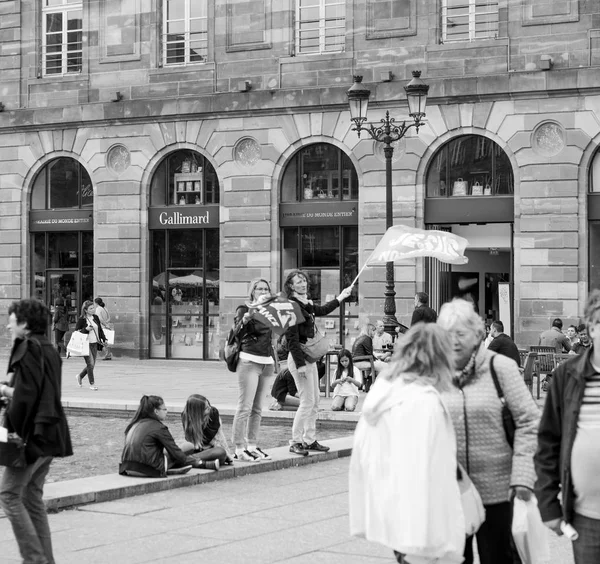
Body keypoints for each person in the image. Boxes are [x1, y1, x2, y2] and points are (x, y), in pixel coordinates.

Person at [349, 322, 465, 564]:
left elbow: (363, 455)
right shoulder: (423, 401)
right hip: (420, 521)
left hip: (393, 508)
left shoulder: (385, 388)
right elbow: (427, 467)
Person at [437, 298, 540, 564]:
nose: (455, 340)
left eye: (461, 333)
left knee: (497, 557)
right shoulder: (436, 373)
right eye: (449, 334)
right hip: (450, 492)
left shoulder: (500, 367)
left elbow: (529, 421)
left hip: (497, 491)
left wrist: (523, 477)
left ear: (478, 334)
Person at [0, 299, 73, 564]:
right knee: (31, 496)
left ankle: (34, 560)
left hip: (32, 436)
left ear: (25, 323)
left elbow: (25, 396)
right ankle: (44, 560)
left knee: (8, 494)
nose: (9, 324)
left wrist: (5, 391)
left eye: (12, 319)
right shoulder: (48, 348)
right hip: (50, 434)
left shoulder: (28, 347)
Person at [535, 289, 600, 564]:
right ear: (593, 328)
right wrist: (548, 504)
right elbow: (548, 441)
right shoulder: (567, 375)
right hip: (587, 518)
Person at [284, 269, 353, 456]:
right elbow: (291, 339)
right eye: (298, 282)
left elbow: (322, 310)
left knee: (315, 401)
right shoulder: (291, 306)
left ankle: (309, 440)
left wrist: (341, 297)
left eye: (303, 280)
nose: (302, 283)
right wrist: (299, 365)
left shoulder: (305, 303)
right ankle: (295, 441)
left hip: (310, 359)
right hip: (300, 359)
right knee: (306, 402)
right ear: (290, 286)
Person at [231, 278, 276, 463]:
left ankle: (252, 445)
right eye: (259, 288)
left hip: (267, 362)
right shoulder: (244, 309)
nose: (262, 291)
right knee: (244, 407)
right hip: (249, 360)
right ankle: (239, 448)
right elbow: (236, 332)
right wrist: (246, 318)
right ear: (253, 291)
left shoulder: (271, 312)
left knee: (257, 408)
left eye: (266, 288)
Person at [119, 395, 218, 477]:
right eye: (164, 409)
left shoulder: (134, 424)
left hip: (127, 468)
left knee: (179, 447)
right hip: (148, 470)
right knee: (188, 446)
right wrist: (202, 463)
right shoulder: (159, 427)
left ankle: (175, 467)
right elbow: (176, 453)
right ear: (156, 411)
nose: (167, 411)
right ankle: (176, 467)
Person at [180, 394, 231, 466]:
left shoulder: (213, 413)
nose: (210, 408)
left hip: (210, 450)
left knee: (221, 452)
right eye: (206, 408)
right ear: (197, 412)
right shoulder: (186, 416)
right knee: (185, 446)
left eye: (208, 404)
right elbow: (190, 440)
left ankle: (184, 460)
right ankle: (197, 463)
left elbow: (206, 440)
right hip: (196, 450)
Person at [74, 300, 107, 391]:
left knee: (91, 365)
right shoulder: (82, 319)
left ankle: (80, 376)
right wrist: (86, 329)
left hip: (94, 344)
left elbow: (100, 330)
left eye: (93, 308)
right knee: (90, 363)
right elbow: (77, 332)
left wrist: (104, 339)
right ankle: (92, 384)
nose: (93, 309)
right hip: (85, 344)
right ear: (85, 310)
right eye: (91, 308)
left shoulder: (95, 317)